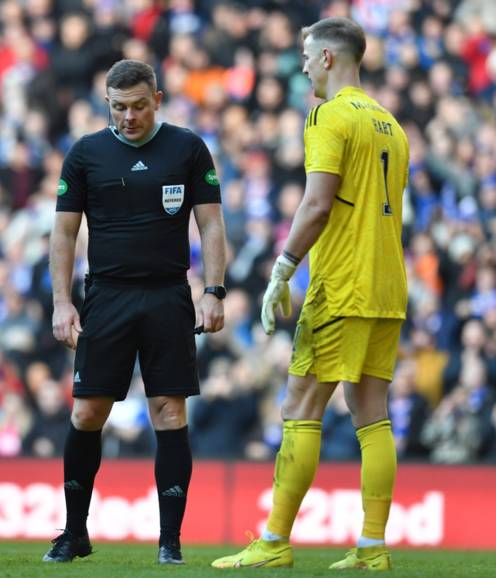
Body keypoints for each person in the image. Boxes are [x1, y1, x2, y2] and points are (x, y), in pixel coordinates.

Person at [211, 17, 409, 571]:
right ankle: (373, 549)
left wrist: (283, 268)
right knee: (372, 411)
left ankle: (274, 540)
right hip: (388, 283)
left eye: (305, 56)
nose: (301, 67)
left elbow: (317, 204)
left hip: (342, 282)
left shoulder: (328, 115)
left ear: (327, 58)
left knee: (300, 404)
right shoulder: (392, 124)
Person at [47, 59, 227, 565]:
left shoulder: (187, 148)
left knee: (169, 411)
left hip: (169, 294)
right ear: (107, 102)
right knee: (87, 412)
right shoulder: (85, 154)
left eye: (139, 106)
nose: (129, 116)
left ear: (158, 100)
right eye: (119, 107)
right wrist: (62, 302)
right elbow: (63, 232)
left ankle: (170, 541)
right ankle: (74, 532)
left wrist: (213, 290)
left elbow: (211, 225)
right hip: (106, 295)